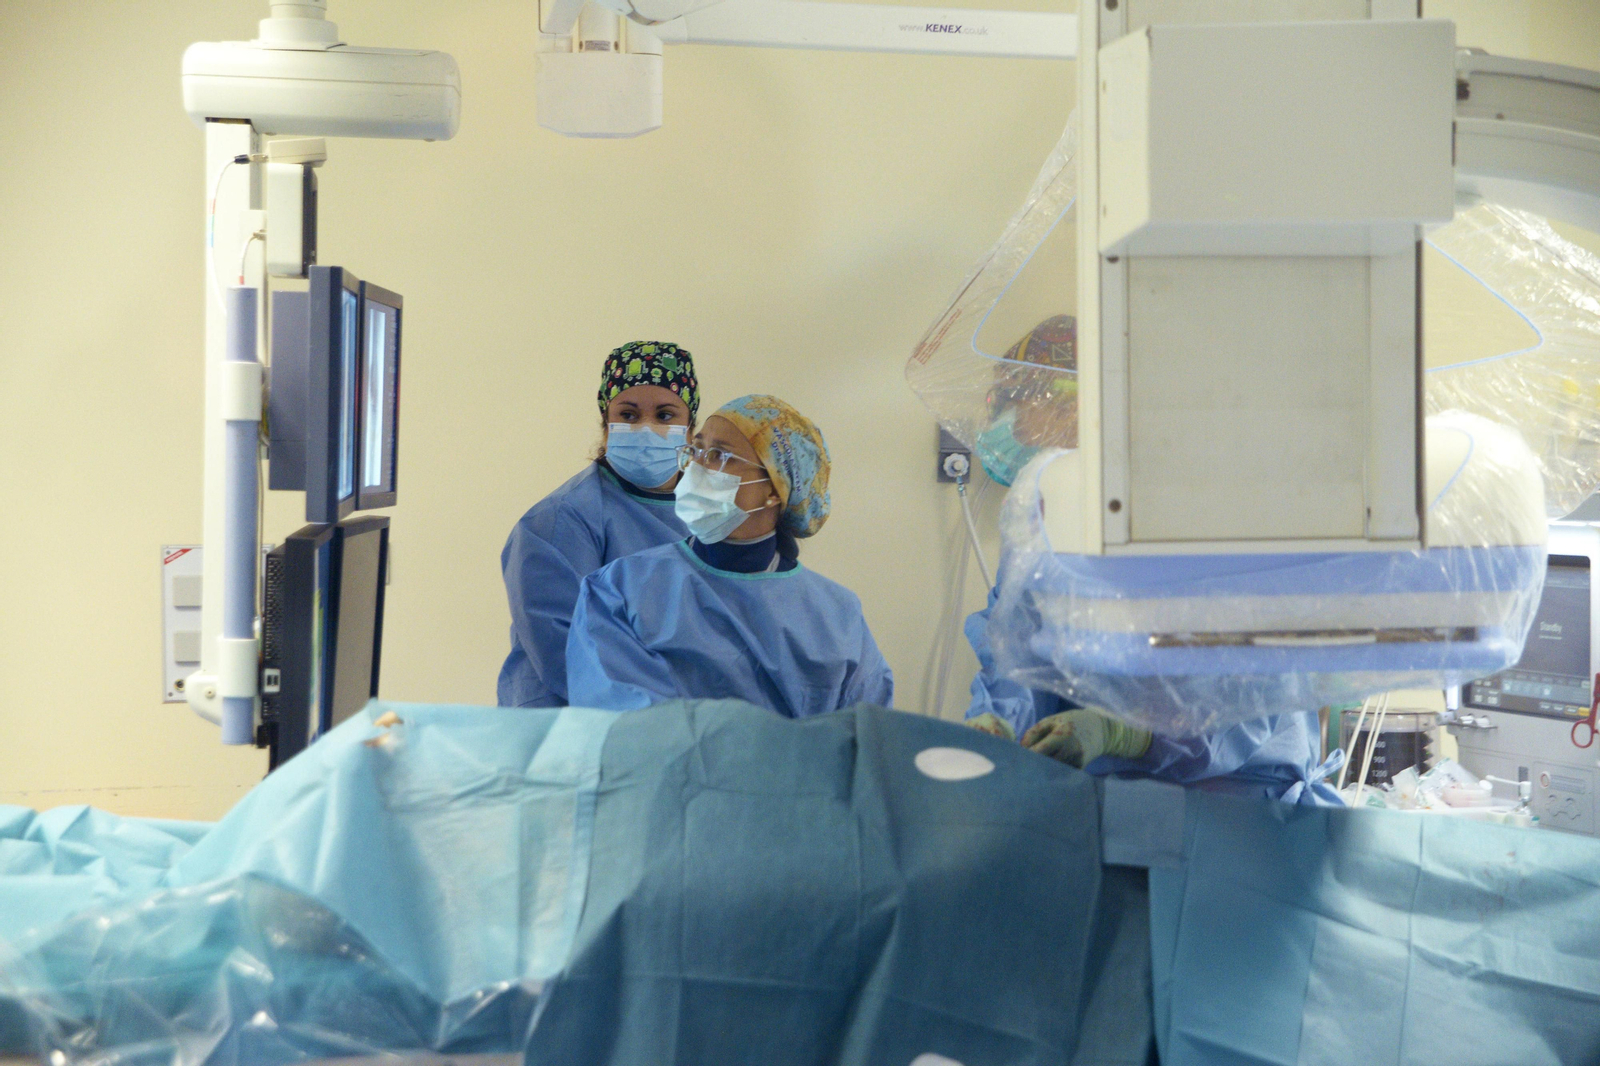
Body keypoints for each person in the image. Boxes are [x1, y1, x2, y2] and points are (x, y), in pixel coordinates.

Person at [566, 394, 894, 716]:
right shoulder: (619, 590)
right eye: (696, 449)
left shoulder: (836, 615)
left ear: (772, 489)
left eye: (720, 456)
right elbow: (626, 725)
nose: (697, 466)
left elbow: (867, 736)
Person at [497, 341, 702, 708]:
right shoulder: (561, 520)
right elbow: (567, 653)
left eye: (666, 415)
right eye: (629, 414)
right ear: (606, 423)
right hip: (570, 729)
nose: (646, 429)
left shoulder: (703, 513)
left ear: (691, 428)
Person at [973, 313, 1078, 487]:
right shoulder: (1056, 487)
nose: (995, 419)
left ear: (1068, 407)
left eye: (1007, 398)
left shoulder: (1102, 493)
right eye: (996, 401)